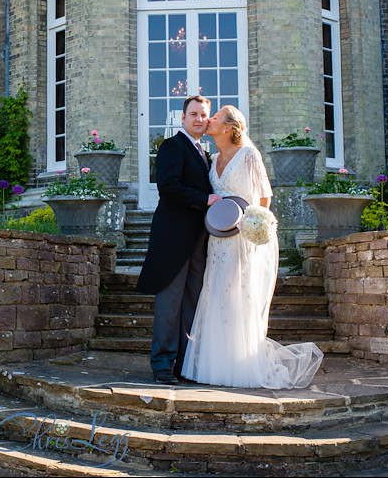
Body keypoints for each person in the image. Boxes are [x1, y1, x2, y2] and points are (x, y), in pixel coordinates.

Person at [180, 105, 323, 388]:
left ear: (228, 128)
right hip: (218, 239)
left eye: (215, 117)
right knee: (217, 293)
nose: (208, 120)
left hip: (243, 239)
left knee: (239, 295)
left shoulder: (248, 154)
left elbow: (265, 197)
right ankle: (214, 365)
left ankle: (241, 366)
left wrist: (254, 225)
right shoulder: (214, 158)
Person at [136, 95, 222, 385]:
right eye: (194, 114)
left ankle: (183, 364)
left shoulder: (203, 152)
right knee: (170, 303)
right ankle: (162, 364)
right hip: (173, 238)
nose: (199, 119)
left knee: (191, 303)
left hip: (199, 237)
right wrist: (205, 199)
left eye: (204, 115)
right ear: (183, 118)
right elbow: (168, 186)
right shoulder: (172, 146)